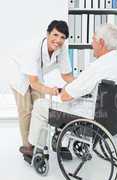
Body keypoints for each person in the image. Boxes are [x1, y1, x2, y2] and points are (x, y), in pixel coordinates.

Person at [20, 23, 117, 156]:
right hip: (113, 121)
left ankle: (33, 148)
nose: (92, 44)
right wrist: (78, 85)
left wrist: (68, 89)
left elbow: (65, 96)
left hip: (89, 120)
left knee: (40, 105)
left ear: (101, 42)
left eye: (93, 39)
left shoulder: (98, 66)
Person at [11, 20, 74, 152]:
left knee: (39, 107)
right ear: (47, 34)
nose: (58, 40)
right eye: (55, 35)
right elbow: (33, 83)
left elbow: (66, 75)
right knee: (26, 110)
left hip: (36, 73)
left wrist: (80, 85)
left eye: (62, 37)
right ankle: (27, 147)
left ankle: (38, 143)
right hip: (18, 74)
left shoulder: (62, 47)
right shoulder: (33, 48)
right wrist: (51, 90)